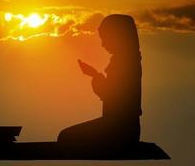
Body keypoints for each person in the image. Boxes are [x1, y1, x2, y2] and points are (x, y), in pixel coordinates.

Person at [57, 14, 142, 150]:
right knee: (66, 137)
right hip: (120, 127)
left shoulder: (124, 62)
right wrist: (94, 75)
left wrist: (95, 76)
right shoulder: (127, 61)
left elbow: (111, 96)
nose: (103, 44)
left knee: (65, 137)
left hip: (119, 130)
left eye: (105, 38)